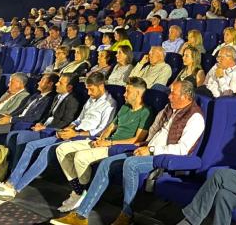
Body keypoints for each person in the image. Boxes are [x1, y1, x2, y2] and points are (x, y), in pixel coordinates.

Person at [53, 81, 205, 225]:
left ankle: (126, 215)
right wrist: (145, 146)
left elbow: (182, 149)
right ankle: (81, 215)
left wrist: (151, 150)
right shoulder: (169, 109)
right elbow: (153, 132)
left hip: (163, 158)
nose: (169, 96)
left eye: (173, 93)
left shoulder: (195, 117)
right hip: (146, 150)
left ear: (186, 96)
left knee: (130, 164)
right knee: (107, 163)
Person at [0, 72, 116, 206]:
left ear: (101, 86)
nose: (89, 93)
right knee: (31, 146)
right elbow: (79, 119)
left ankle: (14, 188)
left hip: (83, 137)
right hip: (72, 132)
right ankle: (10, 184)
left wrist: (75, 134)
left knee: (45, 151)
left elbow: (100, 130)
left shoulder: (110, 104)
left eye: (91, 89)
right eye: (87, 89)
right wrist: (71, 127)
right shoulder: (91, 100)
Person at [50, 77, 154, 215]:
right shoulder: (124, 107)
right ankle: (80, 190)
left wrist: (109, 143)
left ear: (138, 93)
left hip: (118, 147)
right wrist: (101, 139)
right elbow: (110, 128)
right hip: (106, 142)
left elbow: (136, 140)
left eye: (128, 91)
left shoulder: (146, 112)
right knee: (62, 149)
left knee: (80, 157)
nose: (124, 94)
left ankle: (81, 191)